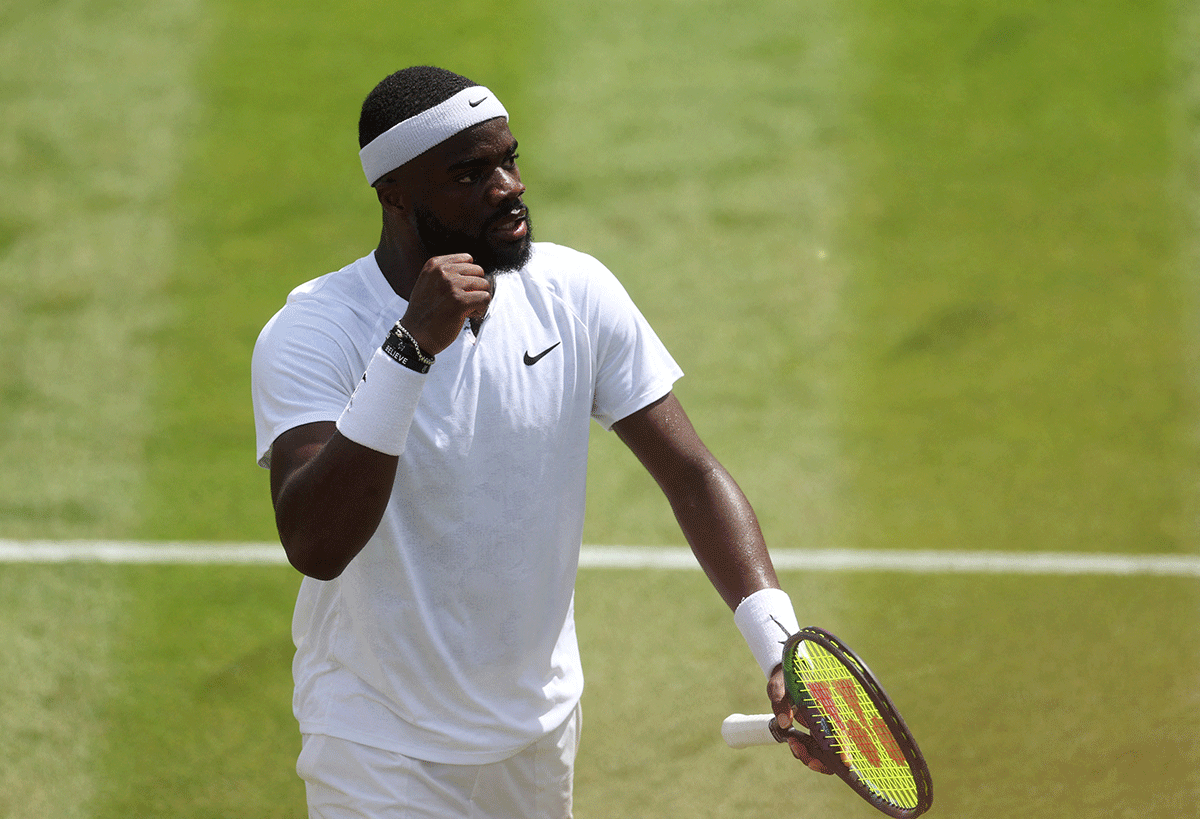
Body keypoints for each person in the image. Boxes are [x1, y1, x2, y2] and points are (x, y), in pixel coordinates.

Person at [251, 65, 827, 819]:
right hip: (379, 746)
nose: (507, 186)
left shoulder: (574, 292)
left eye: (508, 159)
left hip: (539, 734)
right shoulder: (313, 332)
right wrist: (409, 351)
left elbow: (691, 473)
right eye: (469, 174)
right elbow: (315, 542)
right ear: (395, 195)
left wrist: (779, 644)